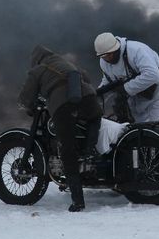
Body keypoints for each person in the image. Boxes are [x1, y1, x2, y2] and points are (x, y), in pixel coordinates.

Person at [17, 45, 102, 212]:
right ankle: (88, 151)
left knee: (67, 150)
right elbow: (85, 77)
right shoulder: (66, 63)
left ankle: (78, 201)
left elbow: (26, 97)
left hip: (63, 105)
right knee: (94, 119)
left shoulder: (38, 70)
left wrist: (28, 107)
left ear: (36, 60)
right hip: (90, 98)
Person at [94, 32, 159, 123]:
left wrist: (125, 88)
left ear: (116, 48)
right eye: (104, 56)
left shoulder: (136, 50)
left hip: (158, 94)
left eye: (109, 54)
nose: (107, 58)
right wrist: (97, 93)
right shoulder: (103, 62)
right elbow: (108, 79)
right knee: (136, 133)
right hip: (136, 100)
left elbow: (152, 74)